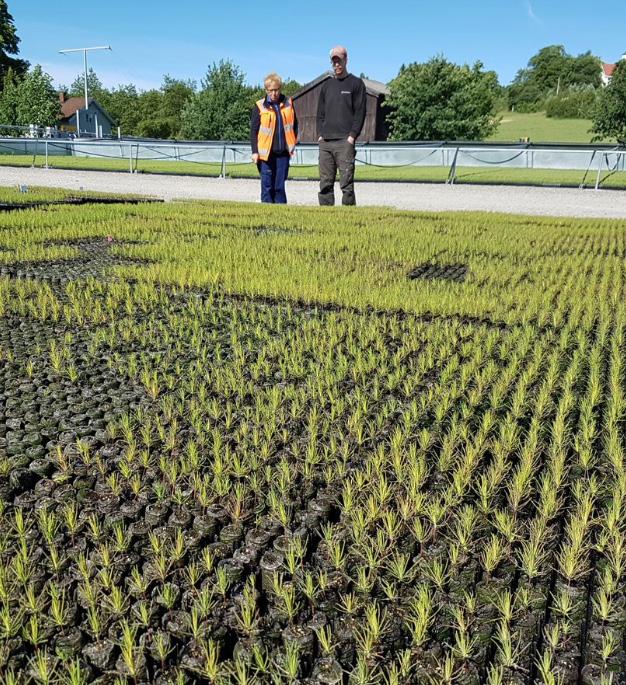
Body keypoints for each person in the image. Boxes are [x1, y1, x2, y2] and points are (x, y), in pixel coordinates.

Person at [316, 45, 366, 206]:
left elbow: (360, 112)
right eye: (334, 62)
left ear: (346, 60)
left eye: (339, 61)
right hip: (326, 142)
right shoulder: (327, 85)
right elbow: (320, 114)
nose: (336, 65)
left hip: (345, 142)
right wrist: (320, 136)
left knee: (346, 184)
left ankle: (349, 217)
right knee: (325, 183)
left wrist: (352, 137)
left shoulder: (356, 84)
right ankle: (326, 216)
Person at [250, 73, 298, 204]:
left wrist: (293, 143)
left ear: (280, 88)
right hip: (265, 155)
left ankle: (281, 214)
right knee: (267, 186)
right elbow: (253, 131)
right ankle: (266, 214)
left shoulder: (288, 103)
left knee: (279, 187)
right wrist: (255, 152)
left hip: (283, 153)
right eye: (271, 90)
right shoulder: (260, 106)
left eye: (276, 89)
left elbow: (295, 125)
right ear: (266, 90)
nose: (274, 93)